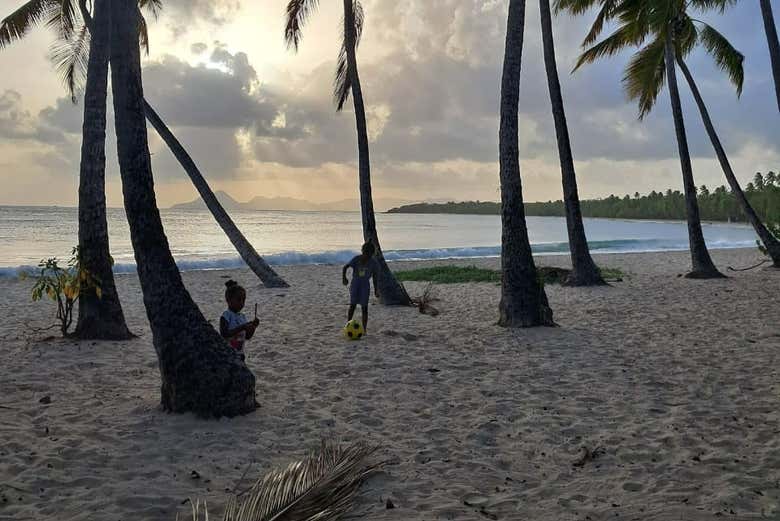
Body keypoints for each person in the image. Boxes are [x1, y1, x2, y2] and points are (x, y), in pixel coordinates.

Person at [342, 242, 380, 332]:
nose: (366, 256)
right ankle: (348, 325)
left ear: (372, 254)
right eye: (365, 253)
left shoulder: (373, 263)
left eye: (369, 254)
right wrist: (344, 278)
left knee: (364, 308)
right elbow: (345, 267)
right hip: (355, 284)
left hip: (365, 286)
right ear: (362, 251)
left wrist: (376, 290)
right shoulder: (356, 259)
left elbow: (375, 277)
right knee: (353, 305)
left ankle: (364, 329)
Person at [219, 280, 259, 355]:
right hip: (228, 354)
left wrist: (253, 326)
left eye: (243, 300)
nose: (241, 303)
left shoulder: (242, 317)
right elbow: (224, 334)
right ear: (229, 300)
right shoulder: (226, 315)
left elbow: (247, 336)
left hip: (240, 353)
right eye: (238, 300)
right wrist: (242, 327)